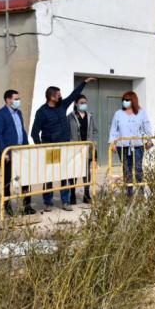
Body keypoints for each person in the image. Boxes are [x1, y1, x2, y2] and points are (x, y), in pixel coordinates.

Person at [31, 77, 97, 211]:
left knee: (65, 176)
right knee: (49, 176)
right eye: (58, 94)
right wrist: (41, 147)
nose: (61, 96)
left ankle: (65, 201)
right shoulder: (42, 112)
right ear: (51, 97)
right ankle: (48, 202)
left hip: (65, 148)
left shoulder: (62, 105)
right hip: (51, 149)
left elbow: (73, 95)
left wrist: (84, 82)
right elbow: (34, 132)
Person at [0, 90, 37, 216]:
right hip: (8, 154)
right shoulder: (0, 115)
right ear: (8, 100)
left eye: (18, 98)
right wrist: (4, 152)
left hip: (21, 153)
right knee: (7, 181)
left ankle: (26, 206)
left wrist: (27, 147)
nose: (18, 101)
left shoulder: (19, 113)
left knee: (26, 180)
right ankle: (7, 207)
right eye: (16, 99)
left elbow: (22, 131)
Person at [108, 91, 152, 196]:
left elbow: (147, 128)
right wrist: (112, 143)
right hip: (122, 146)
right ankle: (129, 192)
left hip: (137, 145)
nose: (125, 102)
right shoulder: (118, 114)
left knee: (138, 168)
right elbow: (114, 129)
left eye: (127, 100)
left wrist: (149, 140)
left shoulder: (141, 113)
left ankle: (141, 191)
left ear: (133, 100)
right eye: (124, 100)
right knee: (126, 168)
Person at [67, 94, 98, 204]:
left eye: (85, 102)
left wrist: (93, 141)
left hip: (87, 148)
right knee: (74, 172)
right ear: (76, 104)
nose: (84, 104)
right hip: (75, 149)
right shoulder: (70, 117)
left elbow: (94, 130)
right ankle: (72, 194)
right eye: (81, 102)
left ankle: (86, 194)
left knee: (86, 172)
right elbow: (67, 132)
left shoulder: (90, 116)